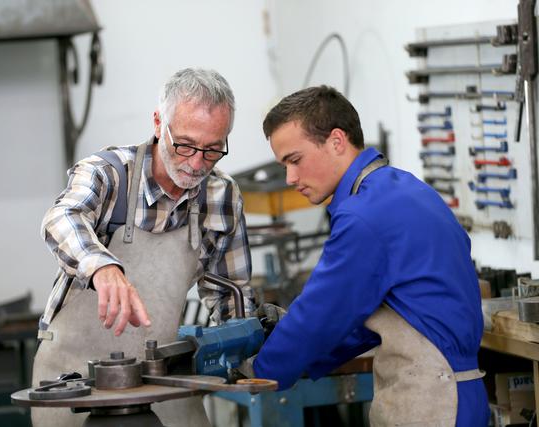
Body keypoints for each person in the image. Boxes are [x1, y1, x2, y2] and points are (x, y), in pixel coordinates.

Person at [253, 85, 489, 426]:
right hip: (455, 393)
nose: (290, 178)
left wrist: (261, 368)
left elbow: (321, 313)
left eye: (295, 160)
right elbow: (368, 316)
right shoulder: (403, 189)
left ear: (336, 141)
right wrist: (299, 348)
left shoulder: (365, 214)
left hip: (433, 402)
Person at [32, 68, 254, 427]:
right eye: (184, 144)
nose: (196, 163)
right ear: (157, 123)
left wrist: (249, 356)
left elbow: (233, 300)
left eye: (212, 150)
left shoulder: (222, 197)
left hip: (162, 382)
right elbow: (60, 218)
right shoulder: (109, 174)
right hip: (72, 385)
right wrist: (102, 267)